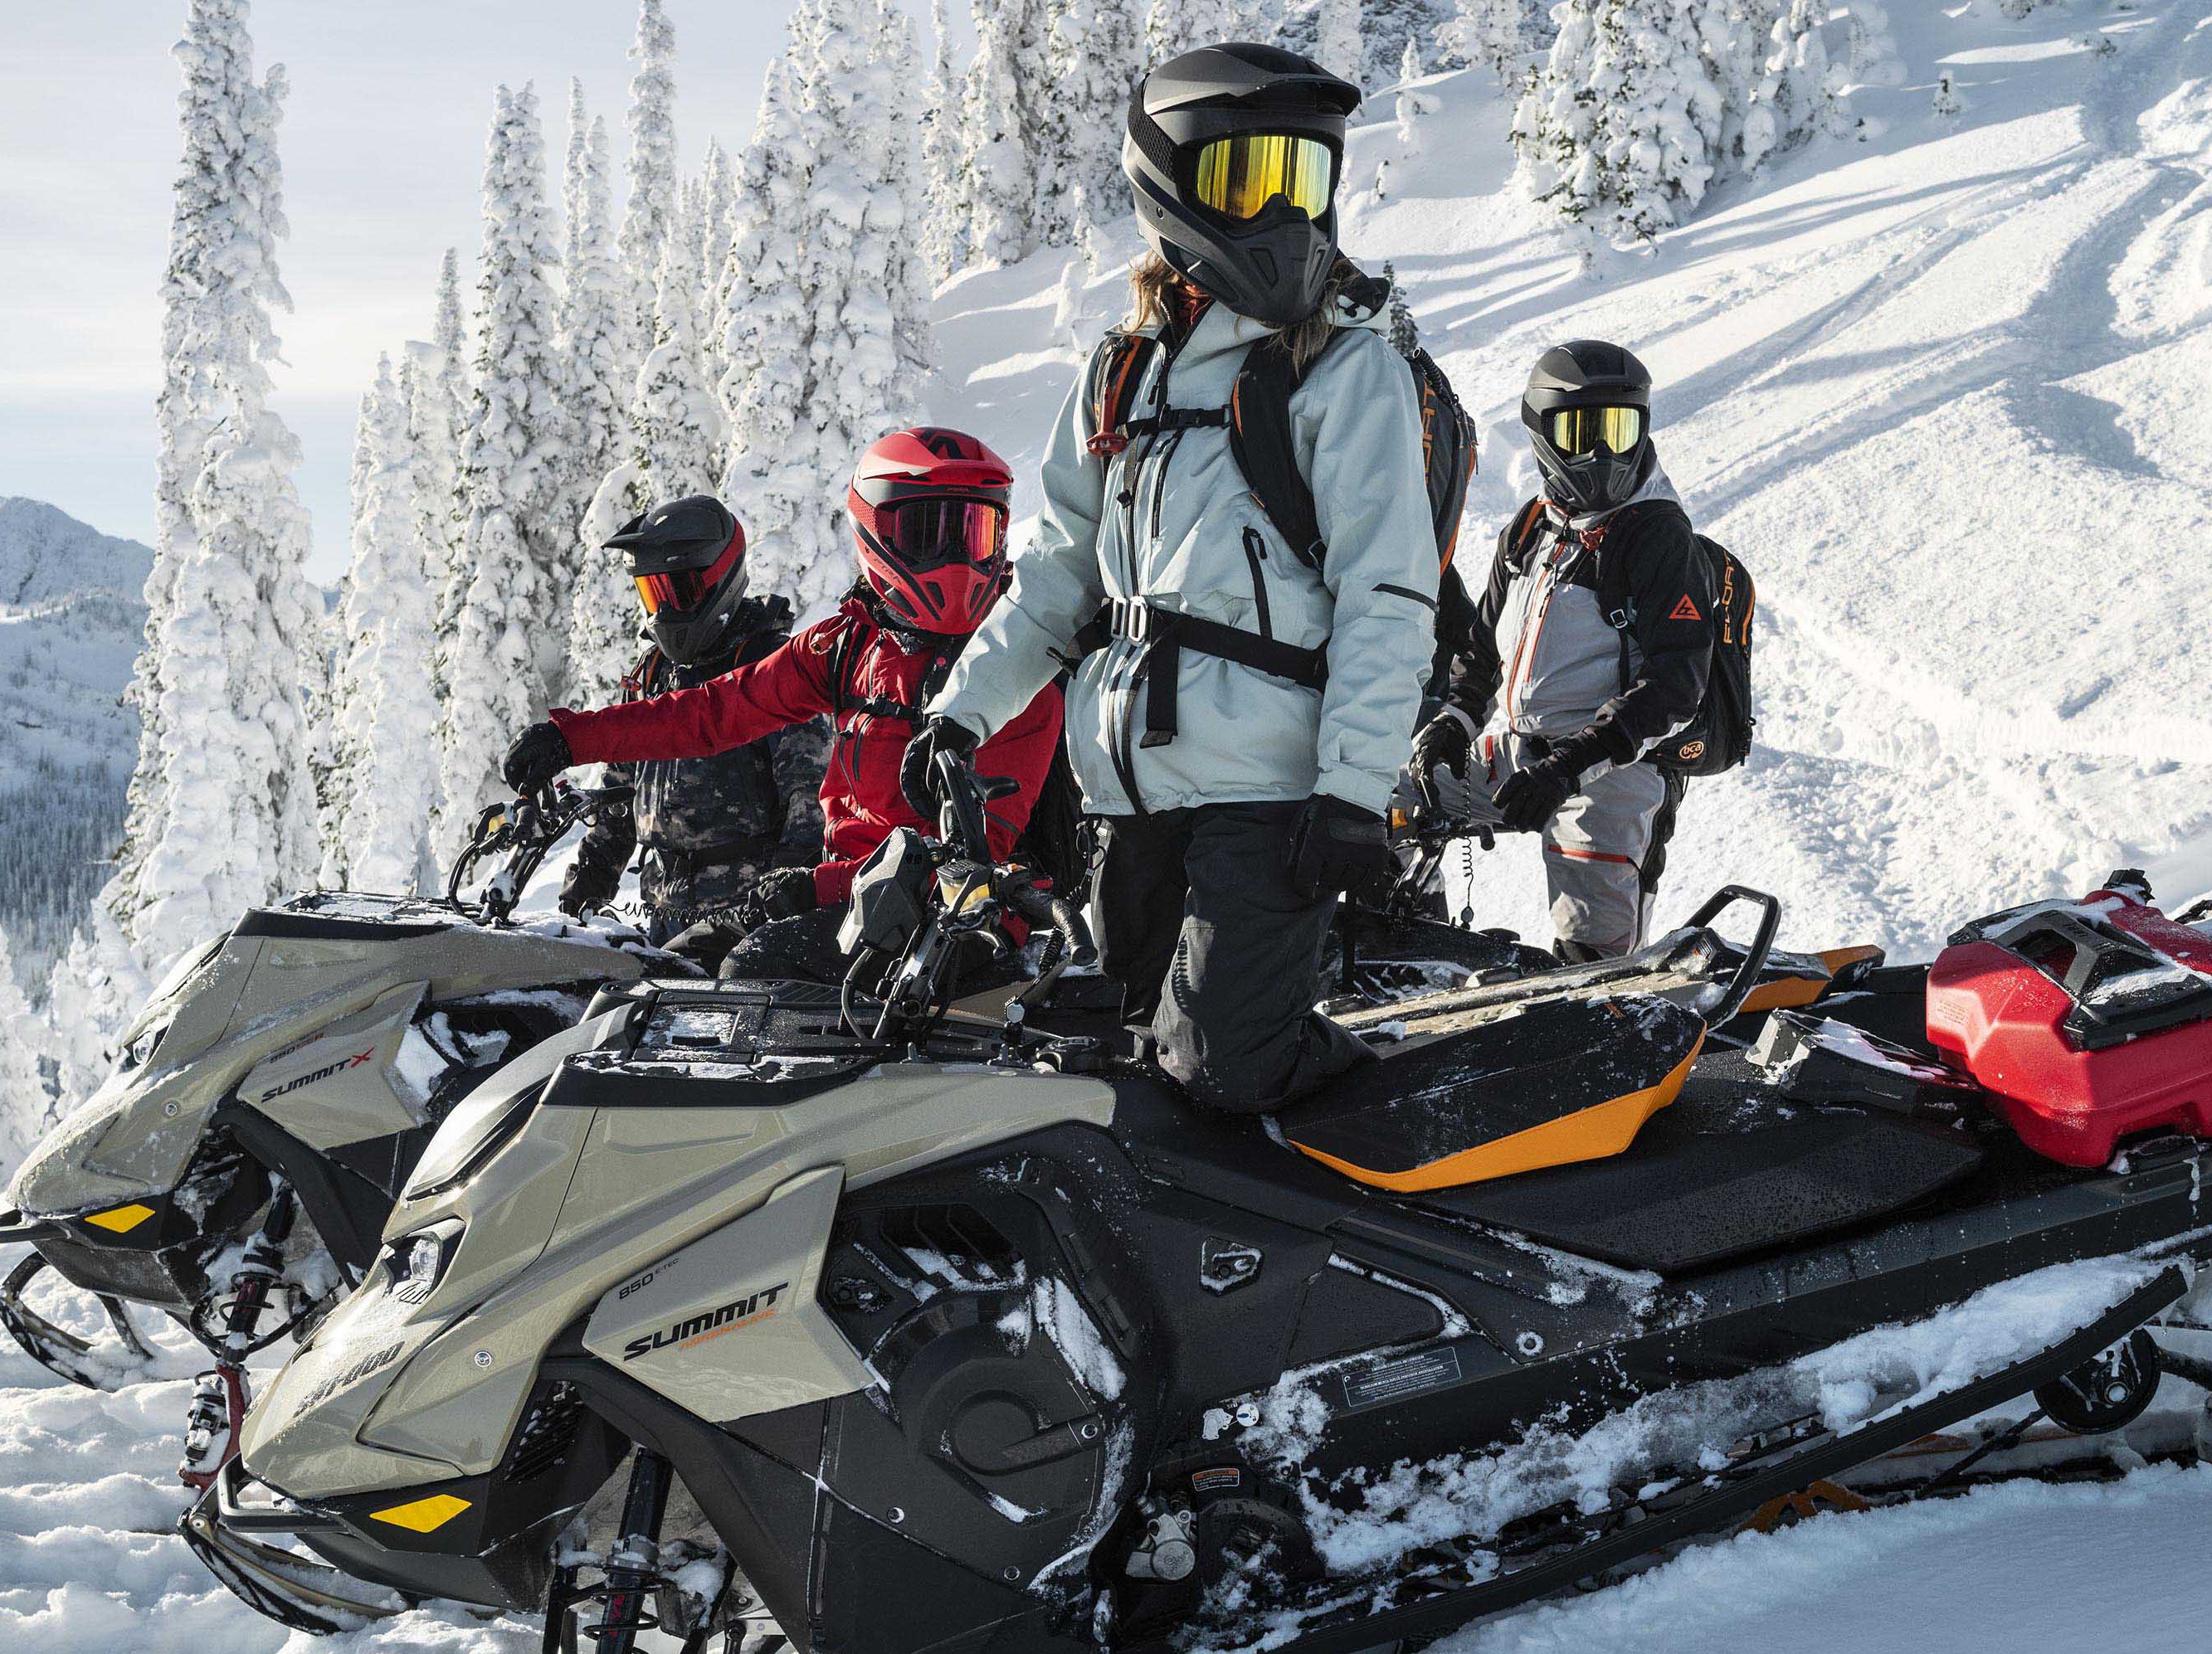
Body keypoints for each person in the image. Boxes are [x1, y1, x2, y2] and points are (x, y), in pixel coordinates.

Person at [915, 42, 1439, 1113]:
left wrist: (1353, 792)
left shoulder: (1343, 367)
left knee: (1223, 1072)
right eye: (1250, 179)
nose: (1284, 213)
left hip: (1272, 792)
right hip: (1127, 793)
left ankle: (1420, 1151)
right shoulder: (1118, 375)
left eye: (1305, 179)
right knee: (1130, 1071)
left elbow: (1389, 590)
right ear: (1170, 183)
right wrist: (959, 717)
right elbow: (1058, 575)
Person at [501, 429, 1063, 981]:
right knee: (673, 970)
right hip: (851, 904)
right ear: (873, 531)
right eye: (926, 533)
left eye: (973, 534)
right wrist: (572, 739)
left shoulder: (1013, 662)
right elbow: (715, 712)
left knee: (750, 971)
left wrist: (815, 886)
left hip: (955, 919)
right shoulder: (847, 645)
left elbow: (975, 853)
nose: (954, 559)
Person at [1412, 340, 1708, 961]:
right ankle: (1416, 946)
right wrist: (1453, 722)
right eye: (1581, 431)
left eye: (1620, 430)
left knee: (1591, 957)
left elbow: (1678, 685)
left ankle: (1603, 1026)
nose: (1602, 452)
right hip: (1527, 755)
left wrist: (1571, 765)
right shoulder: (1529, 529)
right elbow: (1481, 654)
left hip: (1616, 773)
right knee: (1397, 797)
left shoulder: (1657, 537)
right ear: (1541, 432)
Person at [553, 495, 826, 929]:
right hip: (662, 908)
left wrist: (782, 901)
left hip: (746, 918)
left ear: (721, 581)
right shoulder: (653, 674)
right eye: (652, 592)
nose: (664, 611)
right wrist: (588, 879)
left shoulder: (768, 671)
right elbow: (621, 791)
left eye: (678, 591)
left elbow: (811, 796)